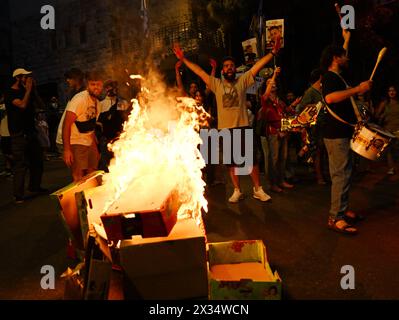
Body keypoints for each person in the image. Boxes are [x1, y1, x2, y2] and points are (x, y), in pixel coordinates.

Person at [173, 39, 282, 203]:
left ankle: (257, 189)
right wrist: (184, 59)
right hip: (226, 129)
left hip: (243, 125)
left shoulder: (243, 80)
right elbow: (199, 72)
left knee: (251, 160)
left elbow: (257, 67)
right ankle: (237, 190)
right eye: (226, 66)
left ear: (234, 69)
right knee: (232, 163)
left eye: (231, 65)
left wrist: (272, 53)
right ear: (222, 71)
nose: (229, 68)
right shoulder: (216, 84)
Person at [320, 29, 373, 235]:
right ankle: (336, 217)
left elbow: (342, 54)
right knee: (340, 175)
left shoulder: (336, 76)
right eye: (343, 55)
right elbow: (331, 98)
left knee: (346, 173)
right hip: (336, 135)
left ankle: (342, 209)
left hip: (342, 133)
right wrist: (358, 89)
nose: (347, 57)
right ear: (335, 59)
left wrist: (346, 38)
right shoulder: (331, 78)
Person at [5, 68, 46, 203]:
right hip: (18, 133)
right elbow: (22, 105)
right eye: (25, 77)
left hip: (30, 132)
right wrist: (28, 90)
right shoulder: (10, 93)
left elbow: (41, 105)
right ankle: (18, 195)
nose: (28, 79)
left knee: (38, 160)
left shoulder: (27, 91)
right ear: (18, 78)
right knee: (20, 164)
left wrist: (33, 90)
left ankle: (35, 187)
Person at [258, 67, 298, 193]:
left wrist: (293, 105)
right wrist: (274, 74)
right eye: (269, 82)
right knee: (273, 159)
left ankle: (281, 181)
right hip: (273, 133)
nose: (273, 83)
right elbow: (271, 119)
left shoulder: (279, 101)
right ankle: (273, 184)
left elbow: (285, 114)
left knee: (283, 158)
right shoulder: (265, 99)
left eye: (274, 82)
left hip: (283, 132)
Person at [62, 70, 103, 182]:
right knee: (79, 175)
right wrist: (67, 150)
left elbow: (91, 128)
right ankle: (80, 198)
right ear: (87, 85)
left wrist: (95, 149)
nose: (96, 87)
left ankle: (91, 197)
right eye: (92, 84)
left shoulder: (98, 104)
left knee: (92, 173)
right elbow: (66, 125)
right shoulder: (79, 99)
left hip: (88, 142)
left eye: (98, 84)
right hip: (75, 142)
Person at [296, 68, 329, 184]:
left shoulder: (321, 91)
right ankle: (319, 177)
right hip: (315, 127)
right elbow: (301, 108)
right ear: (320, 77)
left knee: (323, 152)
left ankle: (323, 174)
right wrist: (317, 106)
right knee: (318, 152)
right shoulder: (311, 92)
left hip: (323, 125)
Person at [97, 80, 130, 172]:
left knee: (121, 162)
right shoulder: (101, 104)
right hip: (106, 138)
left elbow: (128, 119)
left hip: (120, 137)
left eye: (114, 87)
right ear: (105, 89)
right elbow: (98, 123)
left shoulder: (123, 103)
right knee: (107, 164)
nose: (112, 89)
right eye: (109, 87)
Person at [56, 68, 86, 155]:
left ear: (76, 79)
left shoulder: (82, 96)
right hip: (65, 138)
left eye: (69, 78)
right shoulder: (73, 94)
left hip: (74, 140)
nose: (67, 80)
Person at [375, 85, 399, 175]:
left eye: (393, 90)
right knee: (388, 149)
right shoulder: (384, 103)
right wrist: (381, 116)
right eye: (390, 91)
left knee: (396, 150)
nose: (392, 92)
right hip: (388, 130)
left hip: (398, 129)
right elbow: (376, 116)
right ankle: (391, 167)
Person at [0, 93, 12, 177]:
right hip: (3, 133)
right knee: (5, 153)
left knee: (9, 153)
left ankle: (17, 167)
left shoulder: (7, 105)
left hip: (8, 133)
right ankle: (8, 169)